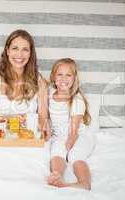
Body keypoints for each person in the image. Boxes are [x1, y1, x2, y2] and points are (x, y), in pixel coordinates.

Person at [0, 29, 50, 138]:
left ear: (30, 53)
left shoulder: (40, 82)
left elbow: (43, 120)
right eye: (15, 48)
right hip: (0, 140)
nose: (19, 54)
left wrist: (30, 120)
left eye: (25, 49)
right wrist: (9, 119)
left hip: (28, 140)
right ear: (7, 51)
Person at [47, 58, 96, 190]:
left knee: (75, 155)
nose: (64, 78)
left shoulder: (76, 99)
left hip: (79, 135)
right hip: (60, 136)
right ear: (53, 77)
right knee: (56, 152)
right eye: (60, 74)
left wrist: (68, 148)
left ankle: (84, 182)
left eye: (68, 75)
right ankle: (57, 174)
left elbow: (74, 131)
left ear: (74, 79)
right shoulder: (50, 93)